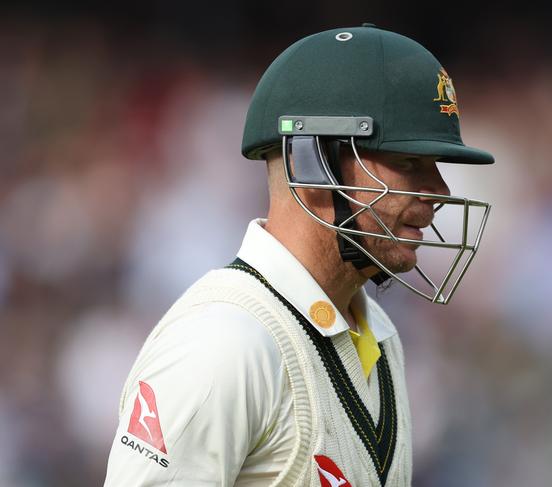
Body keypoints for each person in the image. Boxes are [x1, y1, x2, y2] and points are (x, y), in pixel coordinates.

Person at [104, 24, 494, 486]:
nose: (439, 191)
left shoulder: (382, 335)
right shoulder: (224, 344)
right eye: (408, 162)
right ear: (311, 162)